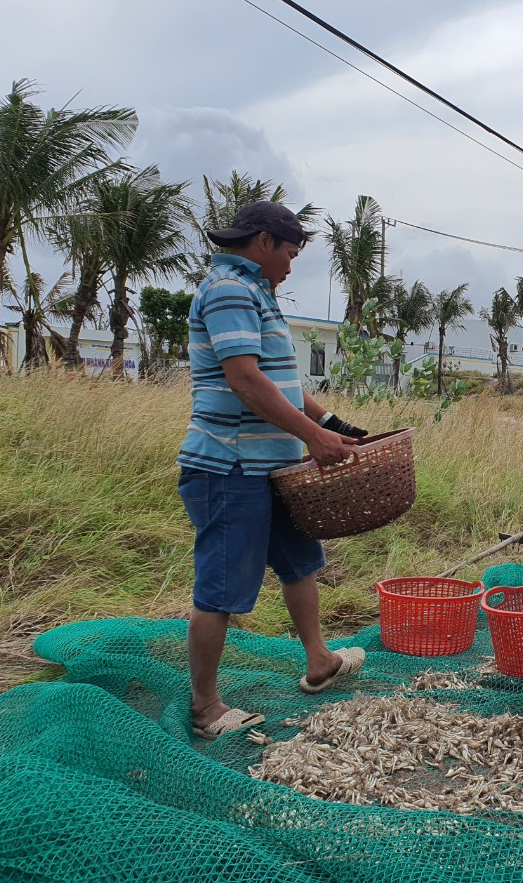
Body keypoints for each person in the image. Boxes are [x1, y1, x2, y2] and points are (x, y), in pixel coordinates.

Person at [178, 201, 370, 740]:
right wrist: (314, 438)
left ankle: (319, 661)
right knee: (220, 588)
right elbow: (245, 380)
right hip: (229, 466)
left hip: (271, 467)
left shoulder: (256, 291)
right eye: (289, 253)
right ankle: (206, 708)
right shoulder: (228, 289)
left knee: (300, 562)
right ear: (263, 242)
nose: (289, 266)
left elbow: (279, 380)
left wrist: (332, 422)